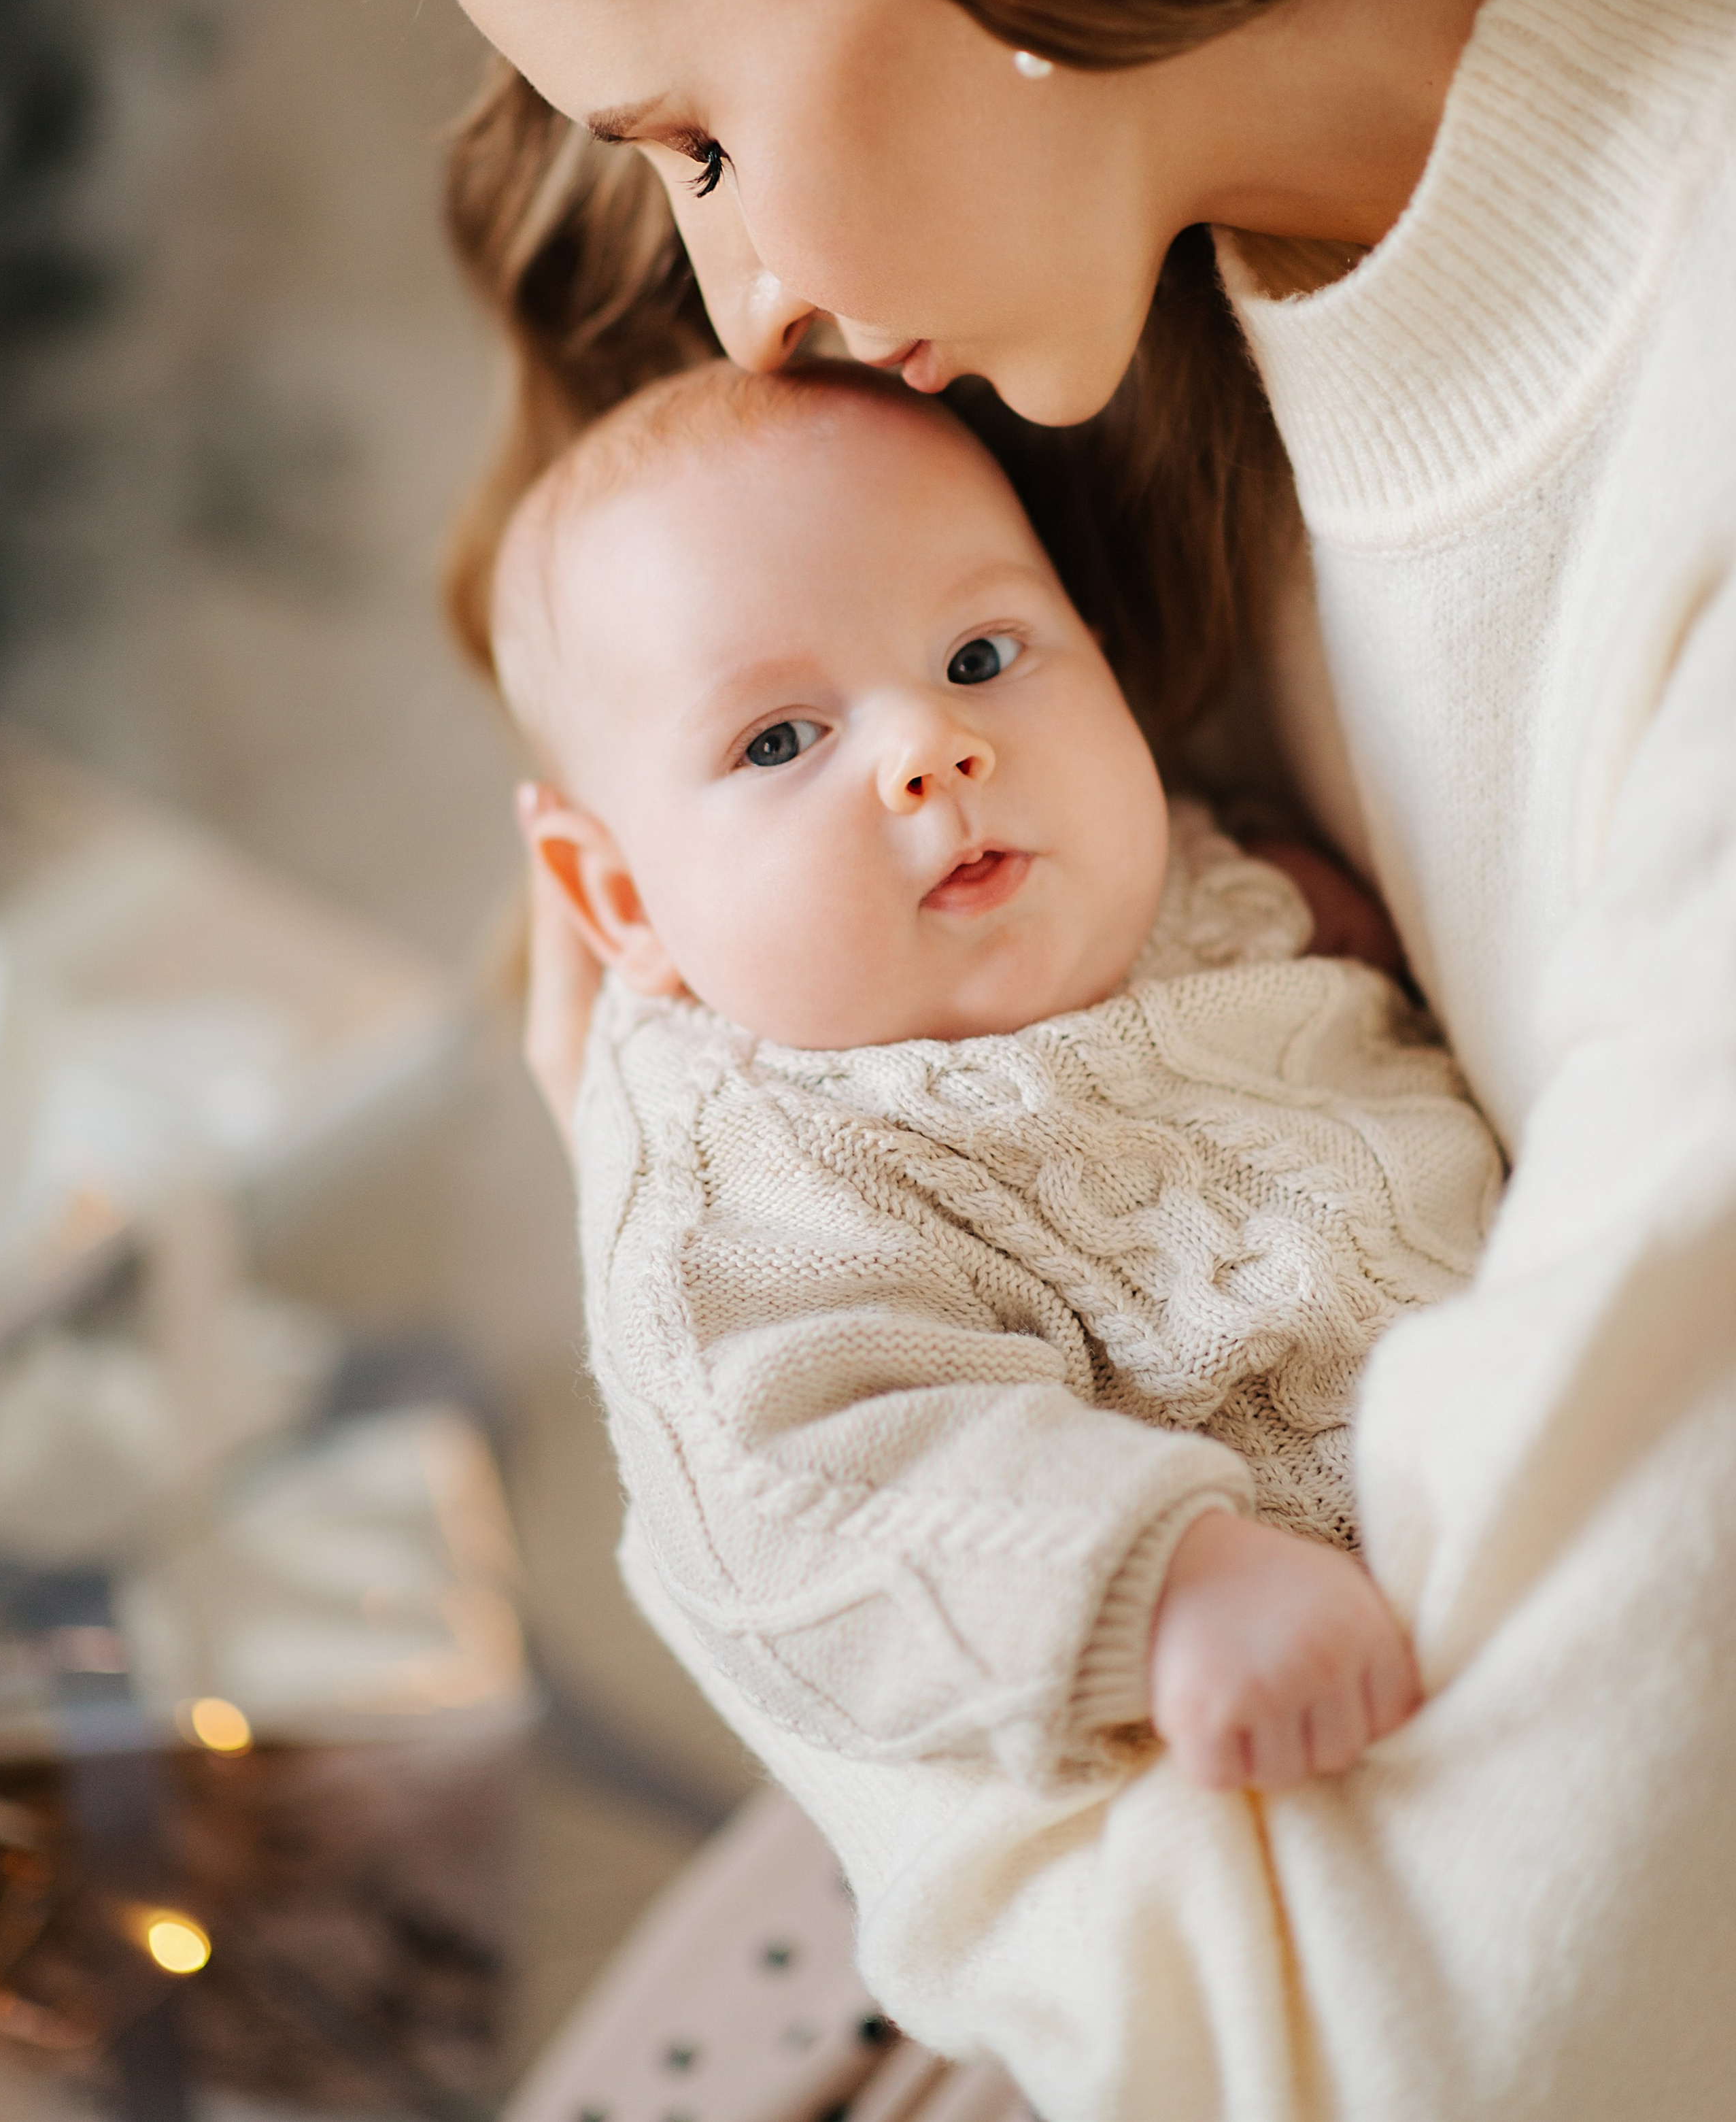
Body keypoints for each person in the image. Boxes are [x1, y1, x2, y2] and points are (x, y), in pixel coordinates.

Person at [324, 0, 1736, 2114]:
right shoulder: (1133, 334)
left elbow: (1444, 2036)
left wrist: (774, 1526)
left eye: (698, 138)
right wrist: (728, 1267)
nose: (745, 306)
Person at [491, 356, 1501, 1797]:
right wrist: (1168, 1585)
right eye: (778, 739)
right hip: (1317, 1686)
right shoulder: (745, 1181)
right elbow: (799, 1490)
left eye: (977, 658)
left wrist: (1312, 913)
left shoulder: (1170, 863)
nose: (930, 747)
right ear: (620, 899)